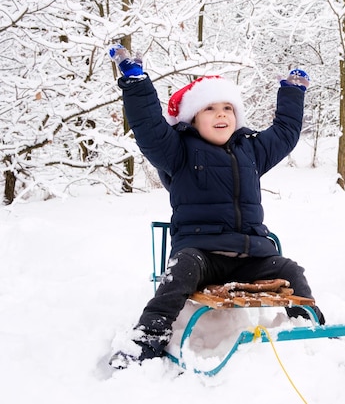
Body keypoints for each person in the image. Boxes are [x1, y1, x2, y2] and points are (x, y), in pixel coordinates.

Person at [107, 44, 324, 369]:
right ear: (193, 117)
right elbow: (149, 130)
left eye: (228, 108)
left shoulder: (251, 150)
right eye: (210, 109)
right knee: (181, 271)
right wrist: (137, 84)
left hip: (251, 255)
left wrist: (292, 95)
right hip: (201, 253)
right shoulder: (178, 152)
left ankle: (309, 328)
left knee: (290, 271)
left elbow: (285, 135)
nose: (221, 114)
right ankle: (147, 339)